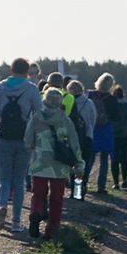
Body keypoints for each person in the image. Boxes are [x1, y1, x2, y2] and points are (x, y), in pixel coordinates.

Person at [0, 58, 42, 232]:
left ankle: (2, 205)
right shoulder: (31, 89)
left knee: (4, 178)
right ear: (27, 72)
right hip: (24, 139)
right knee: (18, 180)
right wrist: (37, 140)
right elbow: (39, 115)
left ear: (11, 70)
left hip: (2, 137)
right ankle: (16, 222)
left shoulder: (0, 87)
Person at [25, 88, 84, 240]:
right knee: (57, 199)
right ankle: (51, 230)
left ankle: (36, 213)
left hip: (39, 163)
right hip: (60, 164)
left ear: (44, 101)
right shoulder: (65, 119)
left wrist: (35, 148)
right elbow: (74, 144)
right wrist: (78, 165)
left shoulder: (36, 117)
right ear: (60, 103)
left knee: (38, 195)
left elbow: (27, 141)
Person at [86, 72, 121, 195]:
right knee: (104, 159)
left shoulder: (90, 95)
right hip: (105, 129)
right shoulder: (111, 99)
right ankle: (101, 186)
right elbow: (117, 117)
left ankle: (84, 182)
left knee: (89, 157)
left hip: (91, 128)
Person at [66, 79, 96, 199]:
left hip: (71, 137)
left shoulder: (68, 102)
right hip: (86, 137)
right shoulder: (89, 103)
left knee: (72, 164)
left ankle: (73, 190)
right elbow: (92, 121)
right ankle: (81, 188)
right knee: (83, 163)